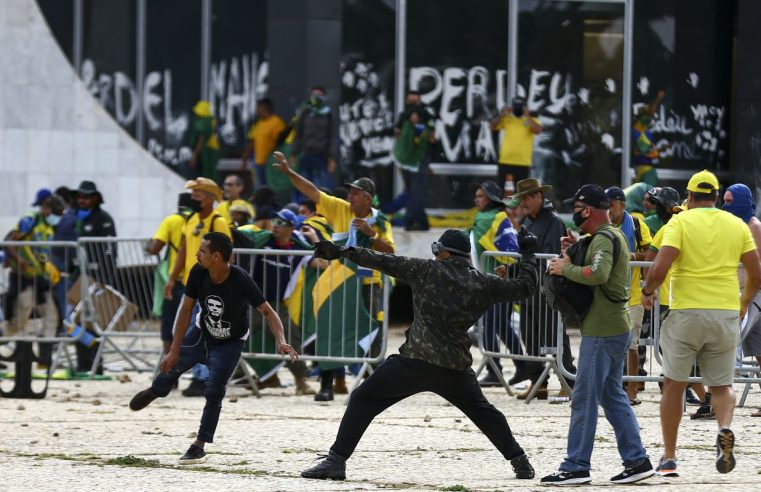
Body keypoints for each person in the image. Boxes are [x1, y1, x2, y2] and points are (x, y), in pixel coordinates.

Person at [300, 228, 539, 481]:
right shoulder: (484, 282)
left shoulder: (426, 270)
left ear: (444, 253)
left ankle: (336, 462)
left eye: (437, 251)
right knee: (484, 413)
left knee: (362, 399)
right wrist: (528, 253)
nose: (435, 255)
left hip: (415, 362)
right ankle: (520, 461)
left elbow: (381, 260)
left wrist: (341, 251)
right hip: (455, 367)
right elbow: (525, 287)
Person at [129, 233, 298, 463]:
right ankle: (156, 391)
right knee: (169, 370)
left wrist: (281, 340)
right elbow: (186, 311)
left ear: (216, 256)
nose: (197, 254)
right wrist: (174, 349)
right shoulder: (198, 272)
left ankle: (199, 445)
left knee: (214, 390)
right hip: (201, 334)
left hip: (230, 342)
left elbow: (268, 311)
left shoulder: (240, 279)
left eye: (201, 251)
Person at [642, 170, 761, 476]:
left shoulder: (680, 221)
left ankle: (669, 457)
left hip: (686, 313)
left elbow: (660, 265)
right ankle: (723, 428)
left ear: (690, 197)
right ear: (718, 197)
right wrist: (745, 301)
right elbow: (756, 270)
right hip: (724, 312)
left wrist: (648, 291)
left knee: (673, 385)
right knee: (722, 387)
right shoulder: (736, 225)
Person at [542, 185, 653, 486]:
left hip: (603, 331)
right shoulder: (606, 236)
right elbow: (596, 264)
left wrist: (565, 269)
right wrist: (575, 249)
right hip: (611, 327)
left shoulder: (604, 238)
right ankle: (637, 460)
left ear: (587, 210)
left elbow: (599, 274)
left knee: (584, 396)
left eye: (576, 208)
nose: (573, 213)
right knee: (612, 396)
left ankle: (576, 465)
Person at [274, 151, 394, 401]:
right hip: (338, 282)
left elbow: (391, 252)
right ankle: (327, 385)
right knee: (330, 329)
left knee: (371, 331)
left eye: (355, 193)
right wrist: (288, 172)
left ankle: (372, 385)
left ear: (368, 197)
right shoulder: (340, 209)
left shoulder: (380, 221)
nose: (349, 197)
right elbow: (312, 191)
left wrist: (372, 235)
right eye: (349, 193)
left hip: (367, 283)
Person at [235, 208, 315, 395]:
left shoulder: (298, 247)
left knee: (290, 339)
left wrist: (313, 240)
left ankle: (301, 382)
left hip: (277, 303)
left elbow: (321, 262)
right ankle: (268, 376)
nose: (275, 226)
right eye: (274, 221)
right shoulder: (263, 239)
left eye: (280, 223)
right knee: (236, 336)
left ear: (291, 227)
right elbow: (240, 236)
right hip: (253, 301)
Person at [164, 178, 232, 396]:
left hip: (211, 286)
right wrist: (172, 278)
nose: (192, 198)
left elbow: (229, 254)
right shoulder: (191, 219)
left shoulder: (218, 221)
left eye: (197, 195)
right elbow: (183, 250)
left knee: (205, 334)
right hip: (191, 284)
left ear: (210, 198)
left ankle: (203, 379)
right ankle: (187, 374)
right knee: (184, 331)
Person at [512, 178, 574, 398]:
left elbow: (550, 254)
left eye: (527, 197)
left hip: (546, 289)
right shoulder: (527, 222)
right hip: (529, 289)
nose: (524, 202)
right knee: (530, 339)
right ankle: (538, 383)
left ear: (539, 196)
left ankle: (568, 382)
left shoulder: (553, 221)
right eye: (521, 198)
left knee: (556, 338)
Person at [468, 181, 525, 387]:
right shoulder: (484, 218)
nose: (476, 199)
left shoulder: (498, 218)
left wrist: (508, 270)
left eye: (481, 196)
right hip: (489, 282)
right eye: (476, 195)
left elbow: (511, 251)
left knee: (492, 325)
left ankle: (495, 370)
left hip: (500, 282)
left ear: (491, 199)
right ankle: (522, 365)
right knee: (499, 325)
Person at [3, 194, 65, 366]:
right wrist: (19, 261)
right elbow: (10, 242)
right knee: (18, 321)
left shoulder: (50, 228)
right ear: (46, 209)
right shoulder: (30, 220)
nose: (58, 217)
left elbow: (41, 251)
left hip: (39, 278)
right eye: (57, 212)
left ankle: (44, 360)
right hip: (23, 278)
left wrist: (48, 265)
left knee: (52, 316)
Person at [605, 186, 652, 406]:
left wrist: (633, 256)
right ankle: (611, 386)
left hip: (632, 293)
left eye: (611, 205)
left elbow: (652, 254)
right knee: (607, 342)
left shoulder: (635, 224)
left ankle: (632, 388)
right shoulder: (601, 225)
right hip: (607, 293)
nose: (608, 210)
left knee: (631, 344)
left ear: (621, 205)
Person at [723, 184, 761, 417]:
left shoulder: (753, 226)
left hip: (752, 293)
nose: (725, 205)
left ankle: (714, 398)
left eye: (729, 201)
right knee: (759, 351)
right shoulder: (737, 225)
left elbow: (756, 265)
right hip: (743, 292)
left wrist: (745, 300)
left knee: (728, 344)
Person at [73, 180, 118, 374]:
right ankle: (83, 363)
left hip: (96, 278)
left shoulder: (103, 218)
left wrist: (104, 278)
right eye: (80, 196)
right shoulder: (74, 217)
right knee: (75, 321)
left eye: (86, 197)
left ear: (95, 198)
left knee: (94, 322)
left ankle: (95, 364)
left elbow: (110, 249)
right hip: (78, 276)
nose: (82, 200)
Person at [146, 193, 194, 356]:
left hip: (177, 281)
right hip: (198, 280)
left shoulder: (171, 221)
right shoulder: (200, 221)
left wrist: (147, 245)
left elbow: (154, 248)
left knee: (169, 326)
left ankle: (169, 368)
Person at [389, 90, 435, 231]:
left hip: (420, 159)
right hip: (406, 160)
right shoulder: (404, 116)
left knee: (417, 191)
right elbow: (397, 133)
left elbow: (432, 136)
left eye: (415, 101)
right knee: (412, 191)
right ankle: (419, 221)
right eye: (410, 101)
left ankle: (412, 221)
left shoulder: (426, 115)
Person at [490, 96, 542, 191]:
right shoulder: (506, 119)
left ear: (525, 106)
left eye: (520, 106)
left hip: (523, 162)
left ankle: (520, 206)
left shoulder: (531, 119)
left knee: (521, 193)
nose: (517, 108)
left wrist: (527, 116)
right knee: (498, 191)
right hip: (505, 160)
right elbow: (492, 127)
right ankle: (499, 206)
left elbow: (538, 130)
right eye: (515, 106)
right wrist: (501, 115)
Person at [291, 86, 337, 192]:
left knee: (323, 188)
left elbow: (332, 137)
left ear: (324, 97)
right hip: (306, 154)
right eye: (313, 95)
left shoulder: (328, 114)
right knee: (304, 186)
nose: (315, 97)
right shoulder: (305, 112)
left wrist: (332, 158)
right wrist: (294, 154)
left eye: (318, 95)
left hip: (321, 156)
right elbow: (298, 134)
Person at [241, 97, 287, 188]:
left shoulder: (276, 122)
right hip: (258, 162)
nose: (257, 110)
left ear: (265, 107)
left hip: (271, 163)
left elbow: (281, 143)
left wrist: (275, 159)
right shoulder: (258, 123)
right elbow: (252, 141)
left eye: (258, 107)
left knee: (271, 188)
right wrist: (245, 158)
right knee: (259, 187)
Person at [632, 91, 665, 186]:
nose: (651, 117)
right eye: (647, 115)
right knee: (649, 196)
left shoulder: (645, 130)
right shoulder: (637, 130)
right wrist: (658, 98)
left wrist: (662, 149)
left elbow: (650, 151)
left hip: (645, 168)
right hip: (643, 169)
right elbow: (645, 151)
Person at [187, 100, 221, 183]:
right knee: (212, 176)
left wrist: (194, 156)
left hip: (206, 153)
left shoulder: (202, 122)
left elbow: (201, 140)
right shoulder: (212, 121)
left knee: (205, 178)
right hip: (213, 151)